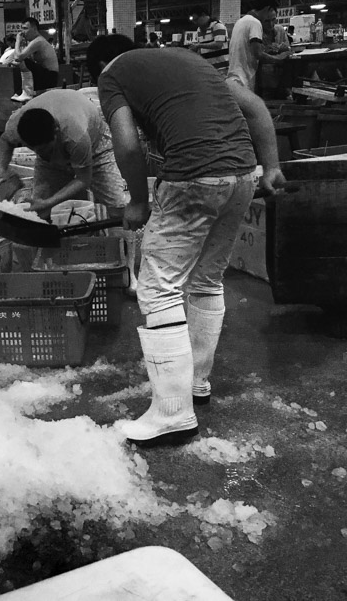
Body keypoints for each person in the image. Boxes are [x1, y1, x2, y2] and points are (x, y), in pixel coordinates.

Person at [85, 34, 284, 447]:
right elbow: (256, 108)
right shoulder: (189, 61)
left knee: (158, 288)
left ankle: (172, 415)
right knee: (207, 280)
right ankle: (197, 383)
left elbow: (125, 142)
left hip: (194, 177)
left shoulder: (112, 74)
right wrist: (272, 167)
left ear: (100, 63)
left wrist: (137, 200)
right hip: (243, 176)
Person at [0, 90, 137, 293]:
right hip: (51, 164)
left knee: (117, 208)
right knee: (38, 210)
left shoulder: (75, 134)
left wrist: (49, 202)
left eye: (45, 148)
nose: (41, 153)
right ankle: (42, 270)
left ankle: (127, 273)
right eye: (35, 150)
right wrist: (2, 170)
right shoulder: (17, 126)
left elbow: (83, 179)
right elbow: (4, 141)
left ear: (56, 132)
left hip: (97, 148)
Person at [227, 0, 279, 92]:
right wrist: (277, 59)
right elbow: (258, 53)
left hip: (234, 77)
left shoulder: (241, 21)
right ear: (268, 8)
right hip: (243, 80)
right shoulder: (255, 23)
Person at [12, 17, 60, 95]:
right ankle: (22, 90)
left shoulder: (38, 41)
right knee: (21, 62)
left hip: (49, 76)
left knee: (24, 61)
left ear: (34, 29)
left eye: (25, 28)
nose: (23, 32)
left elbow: (18, 57)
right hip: (44, 74)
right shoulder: (34, 41)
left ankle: (25, 91)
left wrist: (17, 41)